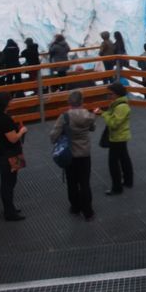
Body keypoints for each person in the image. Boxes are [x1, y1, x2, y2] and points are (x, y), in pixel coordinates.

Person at [50, 91, 97, 220]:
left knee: (72, 182)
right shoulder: (88, 115)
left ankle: (75, 207)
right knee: (85, 183)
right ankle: (88, 211)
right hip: (84, 153)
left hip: (70, 153)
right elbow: (92, 128)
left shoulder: (64, 117)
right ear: (82, 102)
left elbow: (53, 135)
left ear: (69, 102)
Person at [0, 91, 27, 221]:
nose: (11, 102)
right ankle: (9, 212)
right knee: (9, 183)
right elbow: (13, 139)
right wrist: (22, 131)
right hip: (10, 154)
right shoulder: (4, 119)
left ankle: (10, 207)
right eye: (10, 100)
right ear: (5, 103)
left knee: (8, 182)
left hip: (1, 152)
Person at [95, 82, 133, 195]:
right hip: (121, 136)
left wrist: (103, 114)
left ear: (117, 94)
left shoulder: (121, 106)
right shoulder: (120, 104)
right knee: (124, 159)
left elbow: (114, 123)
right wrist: (105, 113)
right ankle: (128, 181)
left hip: (117, 137)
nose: (109, 96)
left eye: (111, 94)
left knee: (113, 163)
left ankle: (117, 187)